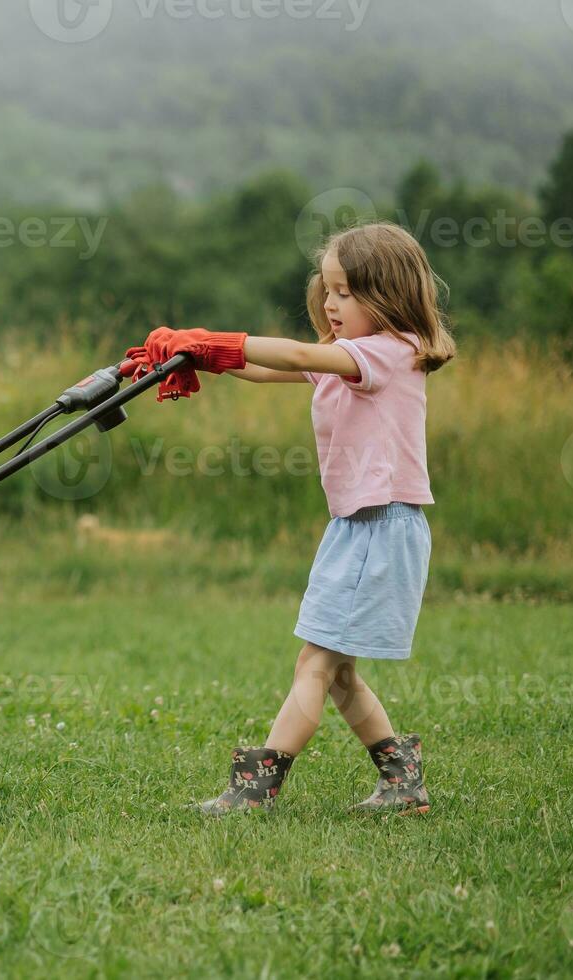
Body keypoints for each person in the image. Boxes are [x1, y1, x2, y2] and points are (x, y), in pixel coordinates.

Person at [126, 222, 456, 815]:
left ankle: (256, 788)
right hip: (356, 527)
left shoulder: (390, 351)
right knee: (339, 673)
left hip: (382, 527)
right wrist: (192, 355)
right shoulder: (345, 356)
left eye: (347, 292)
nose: (330, 303)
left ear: (389, 295)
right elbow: (272, 367)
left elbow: (302, 353)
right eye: (327, 289)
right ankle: (403, 784)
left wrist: (219, 341)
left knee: (316, 661)